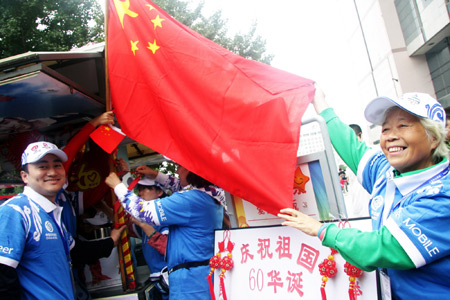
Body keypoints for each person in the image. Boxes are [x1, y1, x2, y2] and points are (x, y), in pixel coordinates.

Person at [278, 88, 450, 299]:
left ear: (433, 138)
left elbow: (382, 247)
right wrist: (319, 102)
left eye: (403, 126)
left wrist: (321, 230)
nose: (391, 137)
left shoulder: (443, 195)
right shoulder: (385, 170)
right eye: (385, 129)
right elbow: (350, 145)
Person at [105, 163, 225, 300]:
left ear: (190, 170)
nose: (177, 171)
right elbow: (179, 185)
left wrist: (117, 186)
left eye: (179, 166)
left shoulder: (192, 200)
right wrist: (154, 174)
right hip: (197, 280)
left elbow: (142, 211)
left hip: (191, 285)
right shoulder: (207, 195)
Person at [0, 142, 76, 299]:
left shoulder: (52, 211)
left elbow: (77, 252)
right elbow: (2, 277)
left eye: (57, 165)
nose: (52, 172)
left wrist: (111, 241)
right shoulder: (15, 211)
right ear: (25, 176)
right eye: (43, 167)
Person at [129, 177, 169, 300]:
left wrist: (141, 224)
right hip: (156, 281)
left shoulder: (164, 216)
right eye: (139, 190)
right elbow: (127, 229)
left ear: (159, 192)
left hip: (168, 280)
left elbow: (166, 246)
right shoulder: (147, 220)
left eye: (144, 189)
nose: (140, 193)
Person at [345, 123, 371, 218]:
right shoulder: (349, 158)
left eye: (353, 138)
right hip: (358, 207)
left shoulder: (369, 154)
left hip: (369, 208)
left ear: (360, 135)